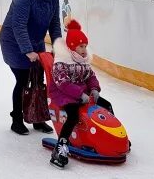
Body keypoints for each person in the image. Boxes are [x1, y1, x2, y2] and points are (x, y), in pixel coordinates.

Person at [0, 0, 62, 135]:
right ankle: (17, 120)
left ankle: (37, 118)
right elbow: (18, 25)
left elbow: (54, 22)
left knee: (38, 81)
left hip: (35, 41)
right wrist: (27, 50)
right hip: (13, 41)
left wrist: (57, 45)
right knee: (23, 80)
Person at [48, 19, 114, 168]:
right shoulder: (61, 62)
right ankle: (60, 147)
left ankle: (111, 137)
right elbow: (63, 84)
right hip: (62, 94)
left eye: (85, 46)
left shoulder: (83, 60)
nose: (84, 49)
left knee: (106, 106)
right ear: (72, 46)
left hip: (80, 93)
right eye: (81, 46)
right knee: (73, 115)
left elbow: (90, 77)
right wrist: (80, 94)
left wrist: (95, 89)